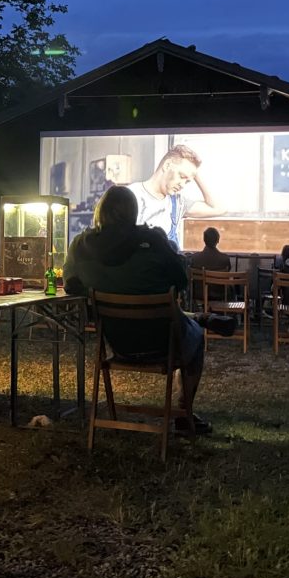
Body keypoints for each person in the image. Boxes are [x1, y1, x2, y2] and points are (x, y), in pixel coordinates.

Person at [63, 186, 234, 435]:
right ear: (134, 212)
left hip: (118, 344)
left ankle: (196, 318)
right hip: (163, 343)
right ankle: (183, 413)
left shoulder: (80, 246)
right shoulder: (153, 241)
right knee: (196, 338)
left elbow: (71, 284)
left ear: (101, 211)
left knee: (175, 318)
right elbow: (181, 280)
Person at [127, 144, 226, 247]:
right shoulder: (129, 195)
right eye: (182, 176)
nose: (182, 185)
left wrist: (195, 173)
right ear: (167, 165)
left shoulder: (178, 203)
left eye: (187, 181)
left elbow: (218, 208)